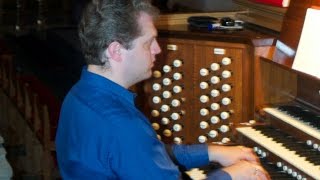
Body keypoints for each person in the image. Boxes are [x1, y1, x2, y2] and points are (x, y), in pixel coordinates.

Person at [55, 0, 270, 179]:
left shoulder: (78, 95)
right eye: (149, 43)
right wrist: (232, 175)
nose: (158, 49)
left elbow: (143, 154)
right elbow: (133, 145)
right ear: (116, 51)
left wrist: (211, 151)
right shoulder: (122, 124)